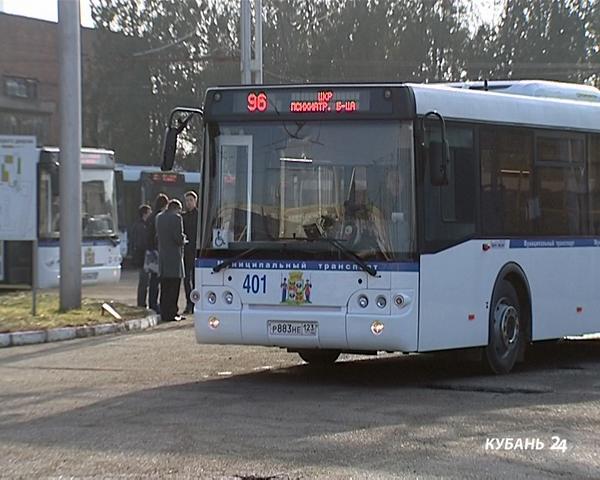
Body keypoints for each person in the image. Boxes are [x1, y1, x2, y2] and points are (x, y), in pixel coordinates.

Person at [156, 199, 187, 322]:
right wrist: (183, 239)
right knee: (174, 288)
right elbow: (178, 238)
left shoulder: (159, 217)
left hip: (163, 257)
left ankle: (164, 312)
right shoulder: (177, 218)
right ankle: (172, 313)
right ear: (177, 208)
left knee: (164, 288)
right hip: (174, 258)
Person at [146, 193, 169, 313]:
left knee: (153, 279)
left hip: (150, 252)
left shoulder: (151, 216)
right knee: (157, 280)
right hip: (157, 251)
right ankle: (154, 305)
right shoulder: (159, 217)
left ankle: (152, 303)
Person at [130, 204, 152, 308]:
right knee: (144, 282)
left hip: (140, 256)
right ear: (145, 214)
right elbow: (142, 243)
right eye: (149, 212)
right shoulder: (142, 227)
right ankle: (141, 303)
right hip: (142, 257)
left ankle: (142, 302)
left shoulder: (137, 225)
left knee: (144, 281)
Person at [182, 191, 199, 314]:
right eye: (187, 201)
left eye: (190, 200)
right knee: (186, 279)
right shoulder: (183, 217)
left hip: (197, 252)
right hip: (186, 252)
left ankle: (197, 303)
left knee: (197, 279)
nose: (188, 203)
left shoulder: (199, 216)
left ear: (195, 201)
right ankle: (189, 303)